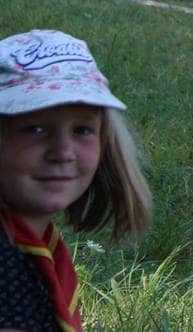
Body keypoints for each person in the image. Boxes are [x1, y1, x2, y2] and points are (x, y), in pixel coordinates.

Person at [0, 29, 154, 331]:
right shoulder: (6, 266)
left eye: (82, 130)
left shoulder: (27, 245)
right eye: (35, 129)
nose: (63, 152)